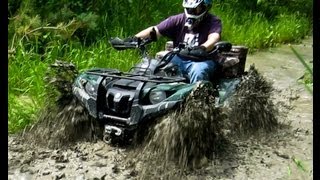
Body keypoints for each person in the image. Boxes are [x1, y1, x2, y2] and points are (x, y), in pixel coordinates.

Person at [127, 0, 222, 83]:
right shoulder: (178, 19)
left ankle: (197, 100)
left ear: (205, 7)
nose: (192, 11)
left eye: (196, 9)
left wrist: (203, 47)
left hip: (202, 61)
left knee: (198, 71)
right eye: (189, 9)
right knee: (154, 66)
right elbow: (156, 30)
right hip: (179, 58)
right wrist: (133, 39)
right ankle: (152, 95)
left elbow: (214, 38)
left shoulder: (213, 21)